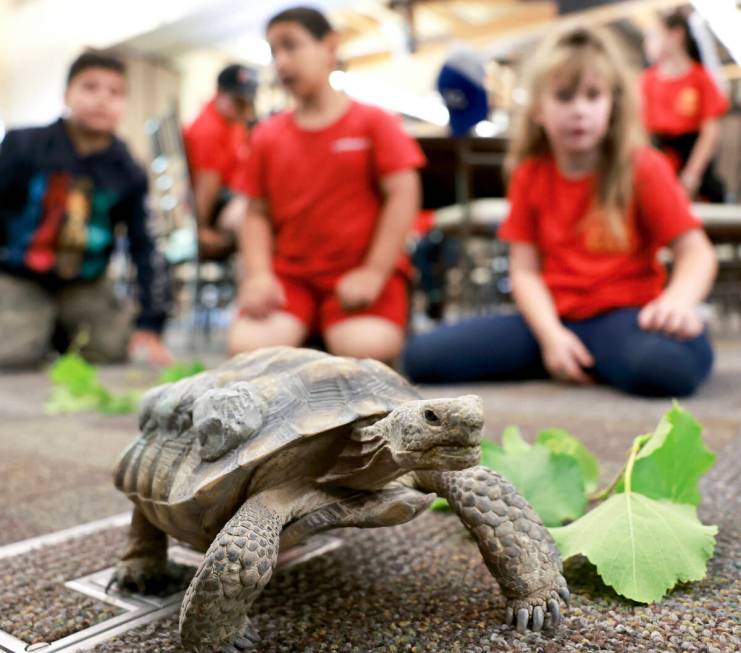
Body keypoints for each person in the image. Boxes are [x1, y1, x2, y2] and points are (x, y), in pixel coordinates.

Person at [403, 27, 717, 398]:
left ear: (612, 104)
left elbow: (695, 251)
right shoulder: (529, 173)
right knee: (420, 357)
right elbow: (525, 271)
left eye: (593, 96)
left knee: (667, 368)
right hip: (547, 320)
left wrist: (678, 302)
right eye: (564, 97)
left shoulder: (643, 167)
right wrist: (551, 336)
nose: (579, 110)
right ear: (538, 108)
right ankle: (571, 355)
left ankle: (585, 355)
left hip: (623, 315)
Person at [228, 6, 425, 362]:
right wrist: (258, 276)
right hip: (292, 277)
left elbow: (403, 193)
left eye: (292, 46)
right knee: (248, 351)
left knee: (366, 350)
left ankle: (315, 333)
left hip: (359, 274)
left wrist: (374, 272)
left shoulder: (374, 122)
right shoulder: (267, 136)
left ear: (330, 48)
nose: (282, 62)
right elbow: (255, 213)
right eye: (274, 52)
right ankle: (312, 329)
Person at [0, 50, 172, 368]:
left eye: (115, 92)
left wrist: (150, 323)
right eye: (90, 87)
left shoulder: (129, 170)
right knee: (10, 354)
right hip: (19, 275)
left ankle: (57, 333)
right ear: (67, 95)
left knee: (112, 351)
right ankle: (40, 330)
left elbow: (145, 245)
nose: (102, 99)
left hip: (86, 282)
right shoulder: (21, 146)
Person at [641, 11, 730, 201]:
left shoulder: (700, 78)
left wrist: (690, 176)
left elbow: (710, 133)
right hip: (657, 158)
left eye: (655, 35)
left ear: (676, 35)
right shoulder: (645, 82)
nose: (648, 43)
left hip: (691, 160)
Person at [184, 64, 257, 260]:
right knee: (252, 217)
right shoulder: (209, 130)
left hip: (234, 195)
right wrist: (202, 228)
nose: (245, 110)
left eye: (247, 102)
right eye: (239, 102)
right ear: (220, 94)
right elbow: (207, 184)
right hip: (219, 205)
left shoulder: (233, 122)